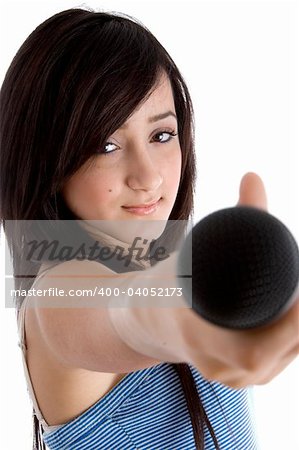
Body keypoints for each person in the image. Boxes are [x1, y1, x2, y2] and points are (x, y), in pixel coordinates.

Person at [0, 7, 298, 450]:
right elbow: (124, 314)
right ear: (49, 162)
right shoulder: (56, 294)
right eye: (106, 144)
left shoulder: (173, 267)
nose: (149, 178)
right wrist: (184, 323)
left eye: (162, 135)